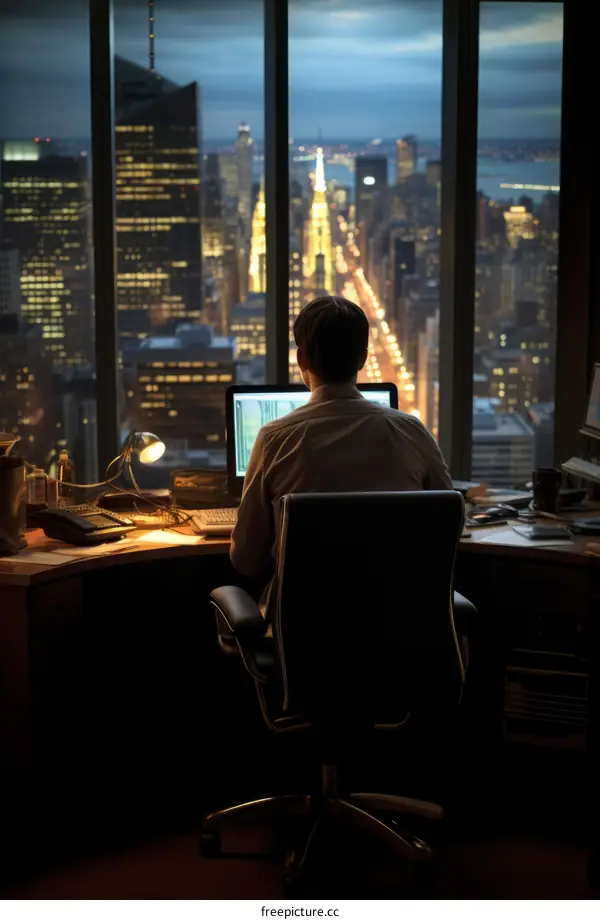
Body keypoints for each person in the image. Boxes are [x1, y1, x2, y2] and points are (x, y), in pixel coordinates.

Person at [230, 294, 452, 584]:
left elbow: (246, 559)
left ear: (301, 358)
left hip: (304, 626)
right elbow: (448, 526)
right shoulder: (412, 432)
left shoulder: (274, 441)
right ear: (362, 357)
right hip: (400, 622)